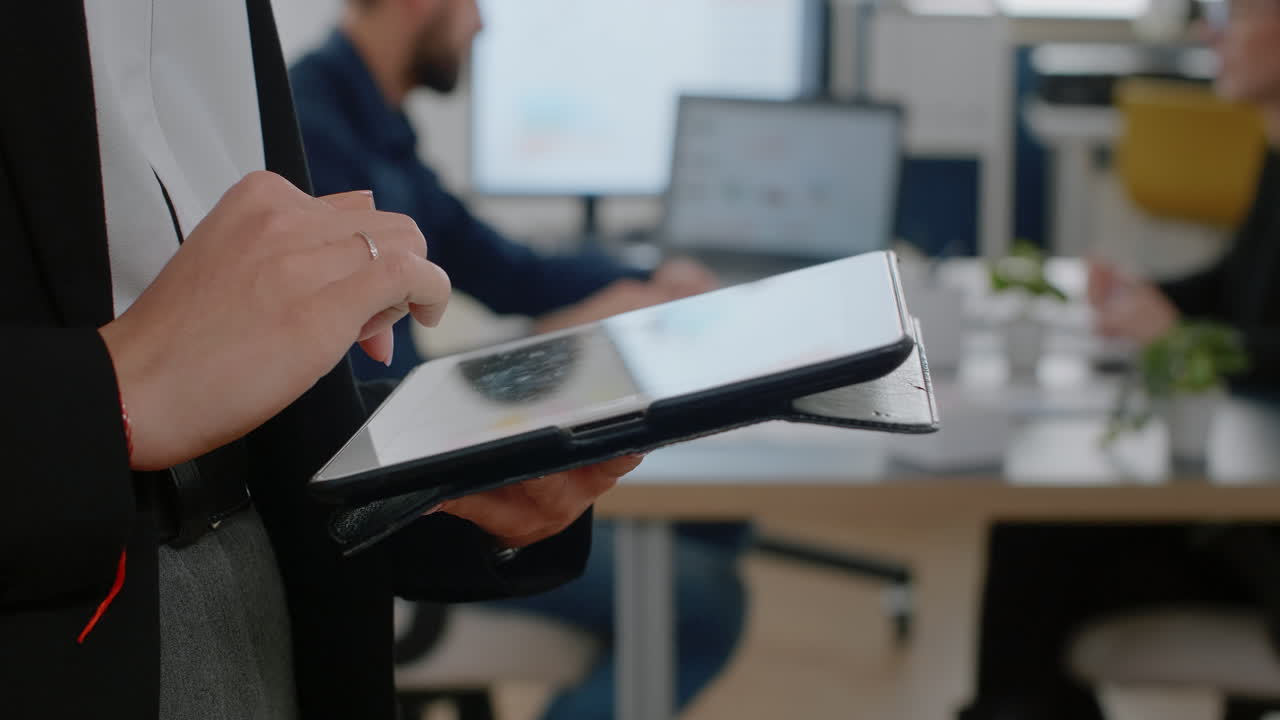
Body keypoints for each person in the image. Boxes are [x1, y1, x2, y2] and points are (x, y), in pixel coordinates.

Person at [0, 3, 647, 719]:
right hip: (72, 624)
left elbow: (270, 394)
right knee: (698, 599)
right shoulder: (328, 111)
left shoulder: (337, 99)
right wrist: (101, 398)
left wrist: (432, 459)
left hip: (282, 609)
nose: (483, 26)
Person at [288, 2, 749, 717]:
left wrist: (648, 284)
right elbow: (373, 401)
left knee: (723, 521)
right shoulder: (313, 137)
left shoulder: (371, 121)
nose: (481, 26)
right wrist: (569, 342)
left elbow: (506, 269)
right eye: (473, 5)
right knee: (708, 604)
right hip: (403, 500)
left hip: (420, 446)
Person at [959, 2, 1280, 719]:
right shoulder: (1275, 143)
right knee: (1034, 527)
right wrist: (1146, 295)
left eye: (1235, 14)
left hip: (1261, 528)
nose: (1209, 32)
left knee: (1038, 546)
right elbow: (1240, 289)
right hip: (1247, 493)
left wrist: (1175, 337)